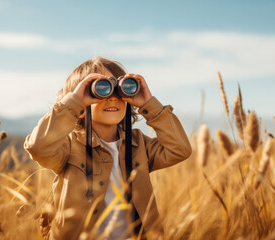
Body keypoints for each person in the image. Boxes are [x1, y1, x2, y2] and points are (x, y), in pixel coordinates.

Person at [24, 57, 192, 239]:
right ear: (81, 98)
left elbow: (180, 149)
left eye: (119, 89)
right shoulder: (68, 146)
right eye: (101, 88)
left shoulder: (139, 144)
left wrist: (149, 104)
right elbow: (38, 147)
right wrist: (72, 102)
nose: (112, 96)